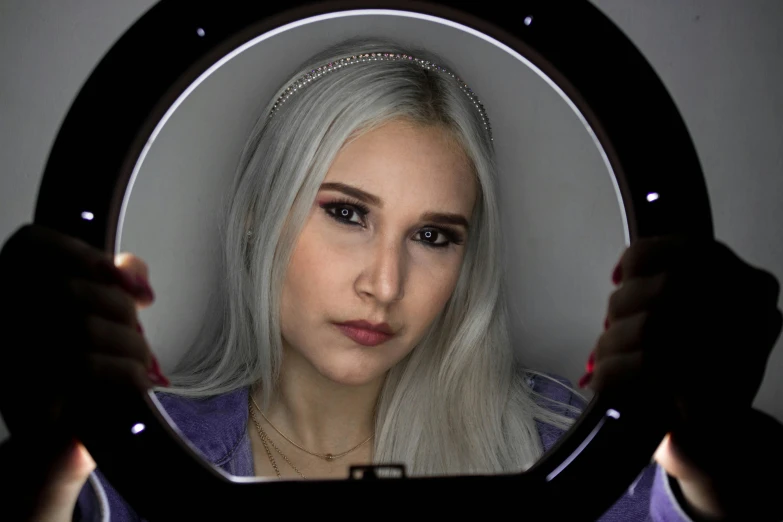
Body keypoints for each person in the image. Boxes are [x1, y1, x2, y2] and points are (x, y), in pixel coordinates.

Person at [1, 36, 782, 521]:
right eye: (346, 214)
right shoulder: (131, 459)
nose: (385, 282)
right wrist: (36, 464)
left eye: (434, 235)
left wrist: (734, 466)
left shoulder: (574, 450)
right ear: (257, 214)